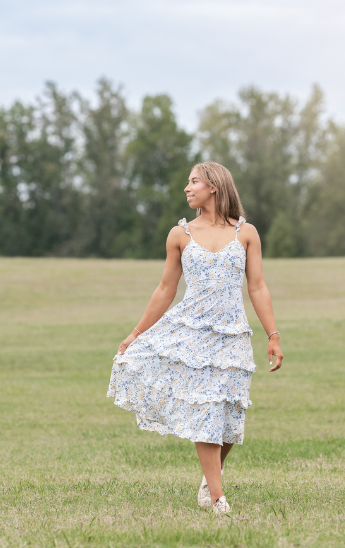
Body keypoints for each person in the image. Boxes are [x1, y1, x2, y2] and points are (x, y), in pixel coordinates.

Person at [107, 161, 284, 513]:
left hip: (233, 335)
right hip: (193, 333)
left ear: (214, 186)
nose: (186, 189)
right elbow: (164, 289)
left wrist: (273, 335)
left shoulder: (245, 233)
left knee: (230, 414)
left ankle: (210, 477)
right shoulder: (180, 234)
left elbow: (258, 286)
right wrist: (135, 333)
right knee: (206, 409)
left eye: (193, 182)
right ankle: (217, 498)